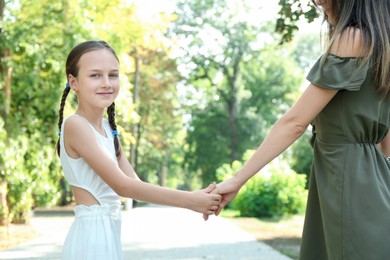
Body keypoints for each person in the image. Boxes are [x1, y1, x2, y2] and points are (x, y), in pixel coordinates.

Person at [209, 0, 390, 259]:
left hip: (345, 181)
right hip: (374, 180)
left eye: (325, 4)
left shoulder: (352, 38)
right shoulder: (383, 47)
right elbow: (386, 137)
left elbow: (294, 123)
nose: (322, 9)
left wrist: (238, 179)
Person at [56, 40, 222, 260]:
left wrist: (196, 197)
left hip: (108, 234)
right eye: (95, 75)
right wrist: (191, 200)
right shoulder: (75, 125)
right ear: (73, 82)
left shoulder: (108, 128)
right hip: (91, 239)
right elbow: (123, 186)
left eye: (113, 75)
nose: (106, 83)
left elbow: (136, 185)